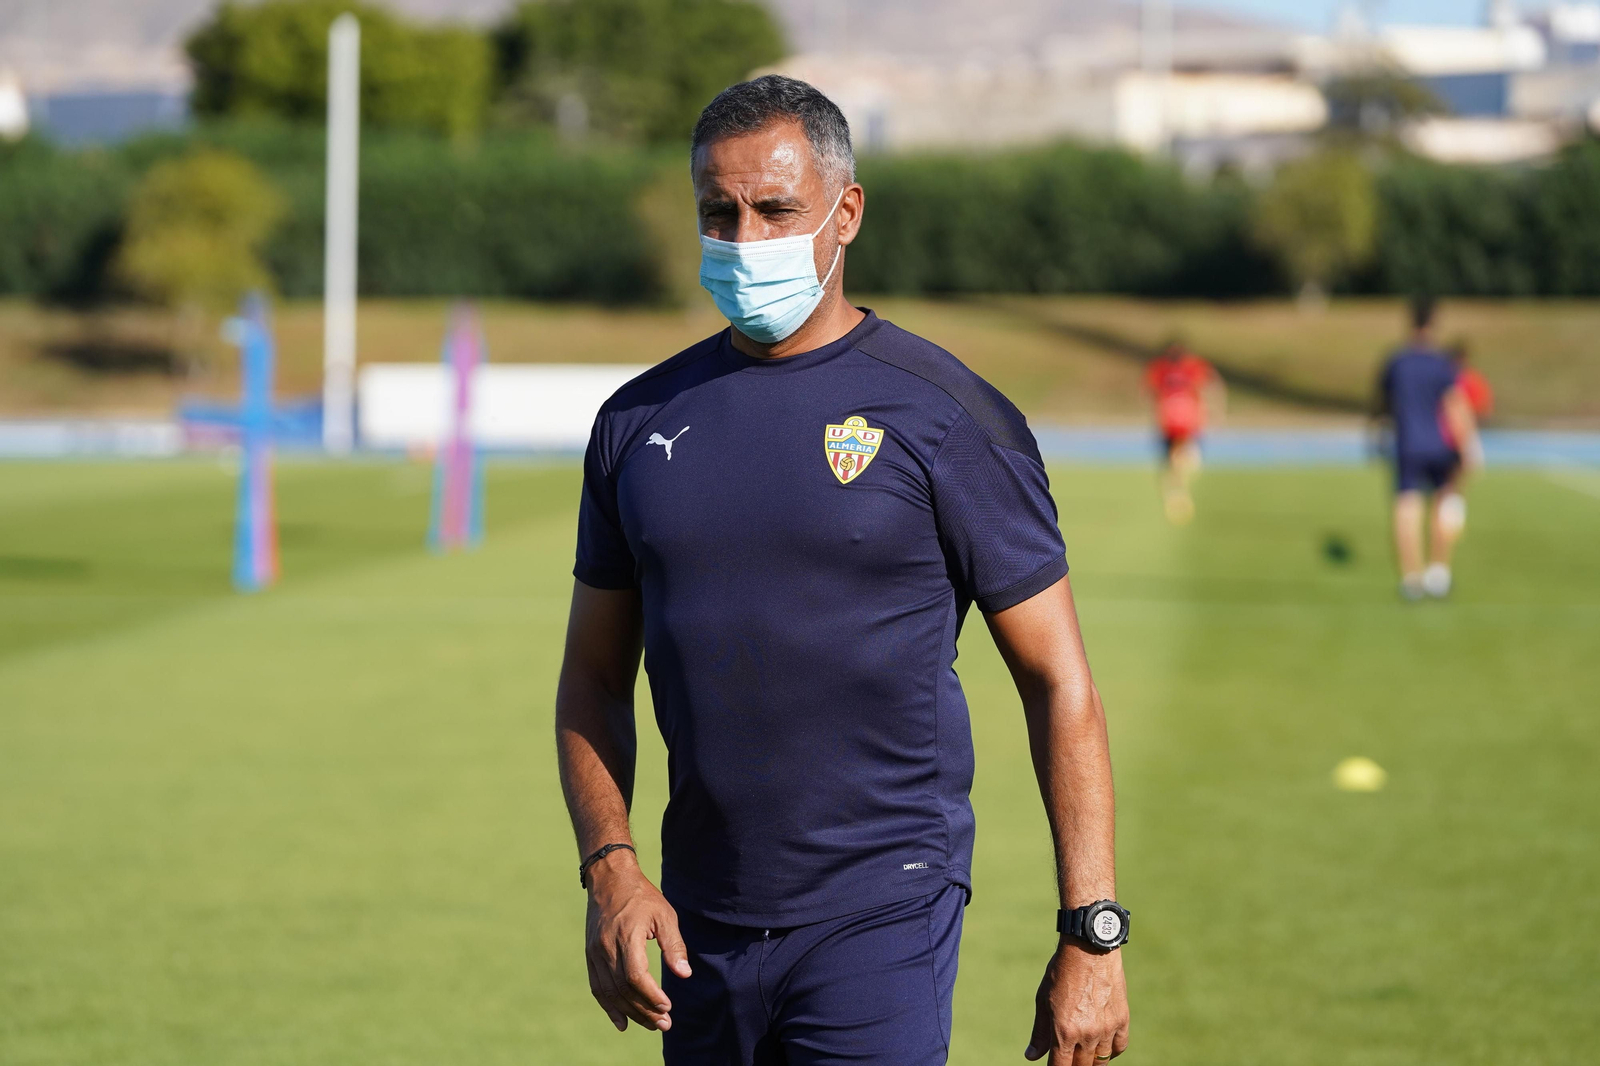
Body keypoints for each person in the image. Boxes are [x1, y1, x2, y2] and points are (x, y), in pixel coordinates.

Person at [555, 75, 1130, 1066]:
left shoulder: (947, 417)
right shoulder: (635, 422)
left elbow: (1058, 679)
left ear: (845, 211)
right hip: (698, 926)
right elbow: (593, 677)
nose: (743, 239)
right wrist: (611, 868)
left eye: (774, 208)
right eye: (717, 212)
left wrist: (1091, 930)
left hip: (883, 913)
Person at [1374, 299, 1483, 600]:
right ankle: (1439, 572)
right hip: (1439, 445)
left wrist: (1378, 433)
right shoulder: (1441, 364)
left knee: (1407, 508)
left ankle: (1411, 579)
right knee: (1442, 505)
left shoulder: (1396, 362)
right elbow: (1455, 406)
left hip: (1408, 443)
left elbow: (1383, 404)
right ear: (1433, 326)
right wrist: (1468, 446)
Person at [1143, 338, 1224, 524]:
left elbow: (1212, 385)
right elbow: (1152, 392)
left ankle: (1178, 494)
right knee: (1173, 463)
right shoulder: (1161, 369)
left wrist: (1214, 410)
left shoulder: (1194, 367)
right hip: (1170, 423)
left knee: (1186, 462)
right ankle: (1177, 497)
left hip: (1188, 422)